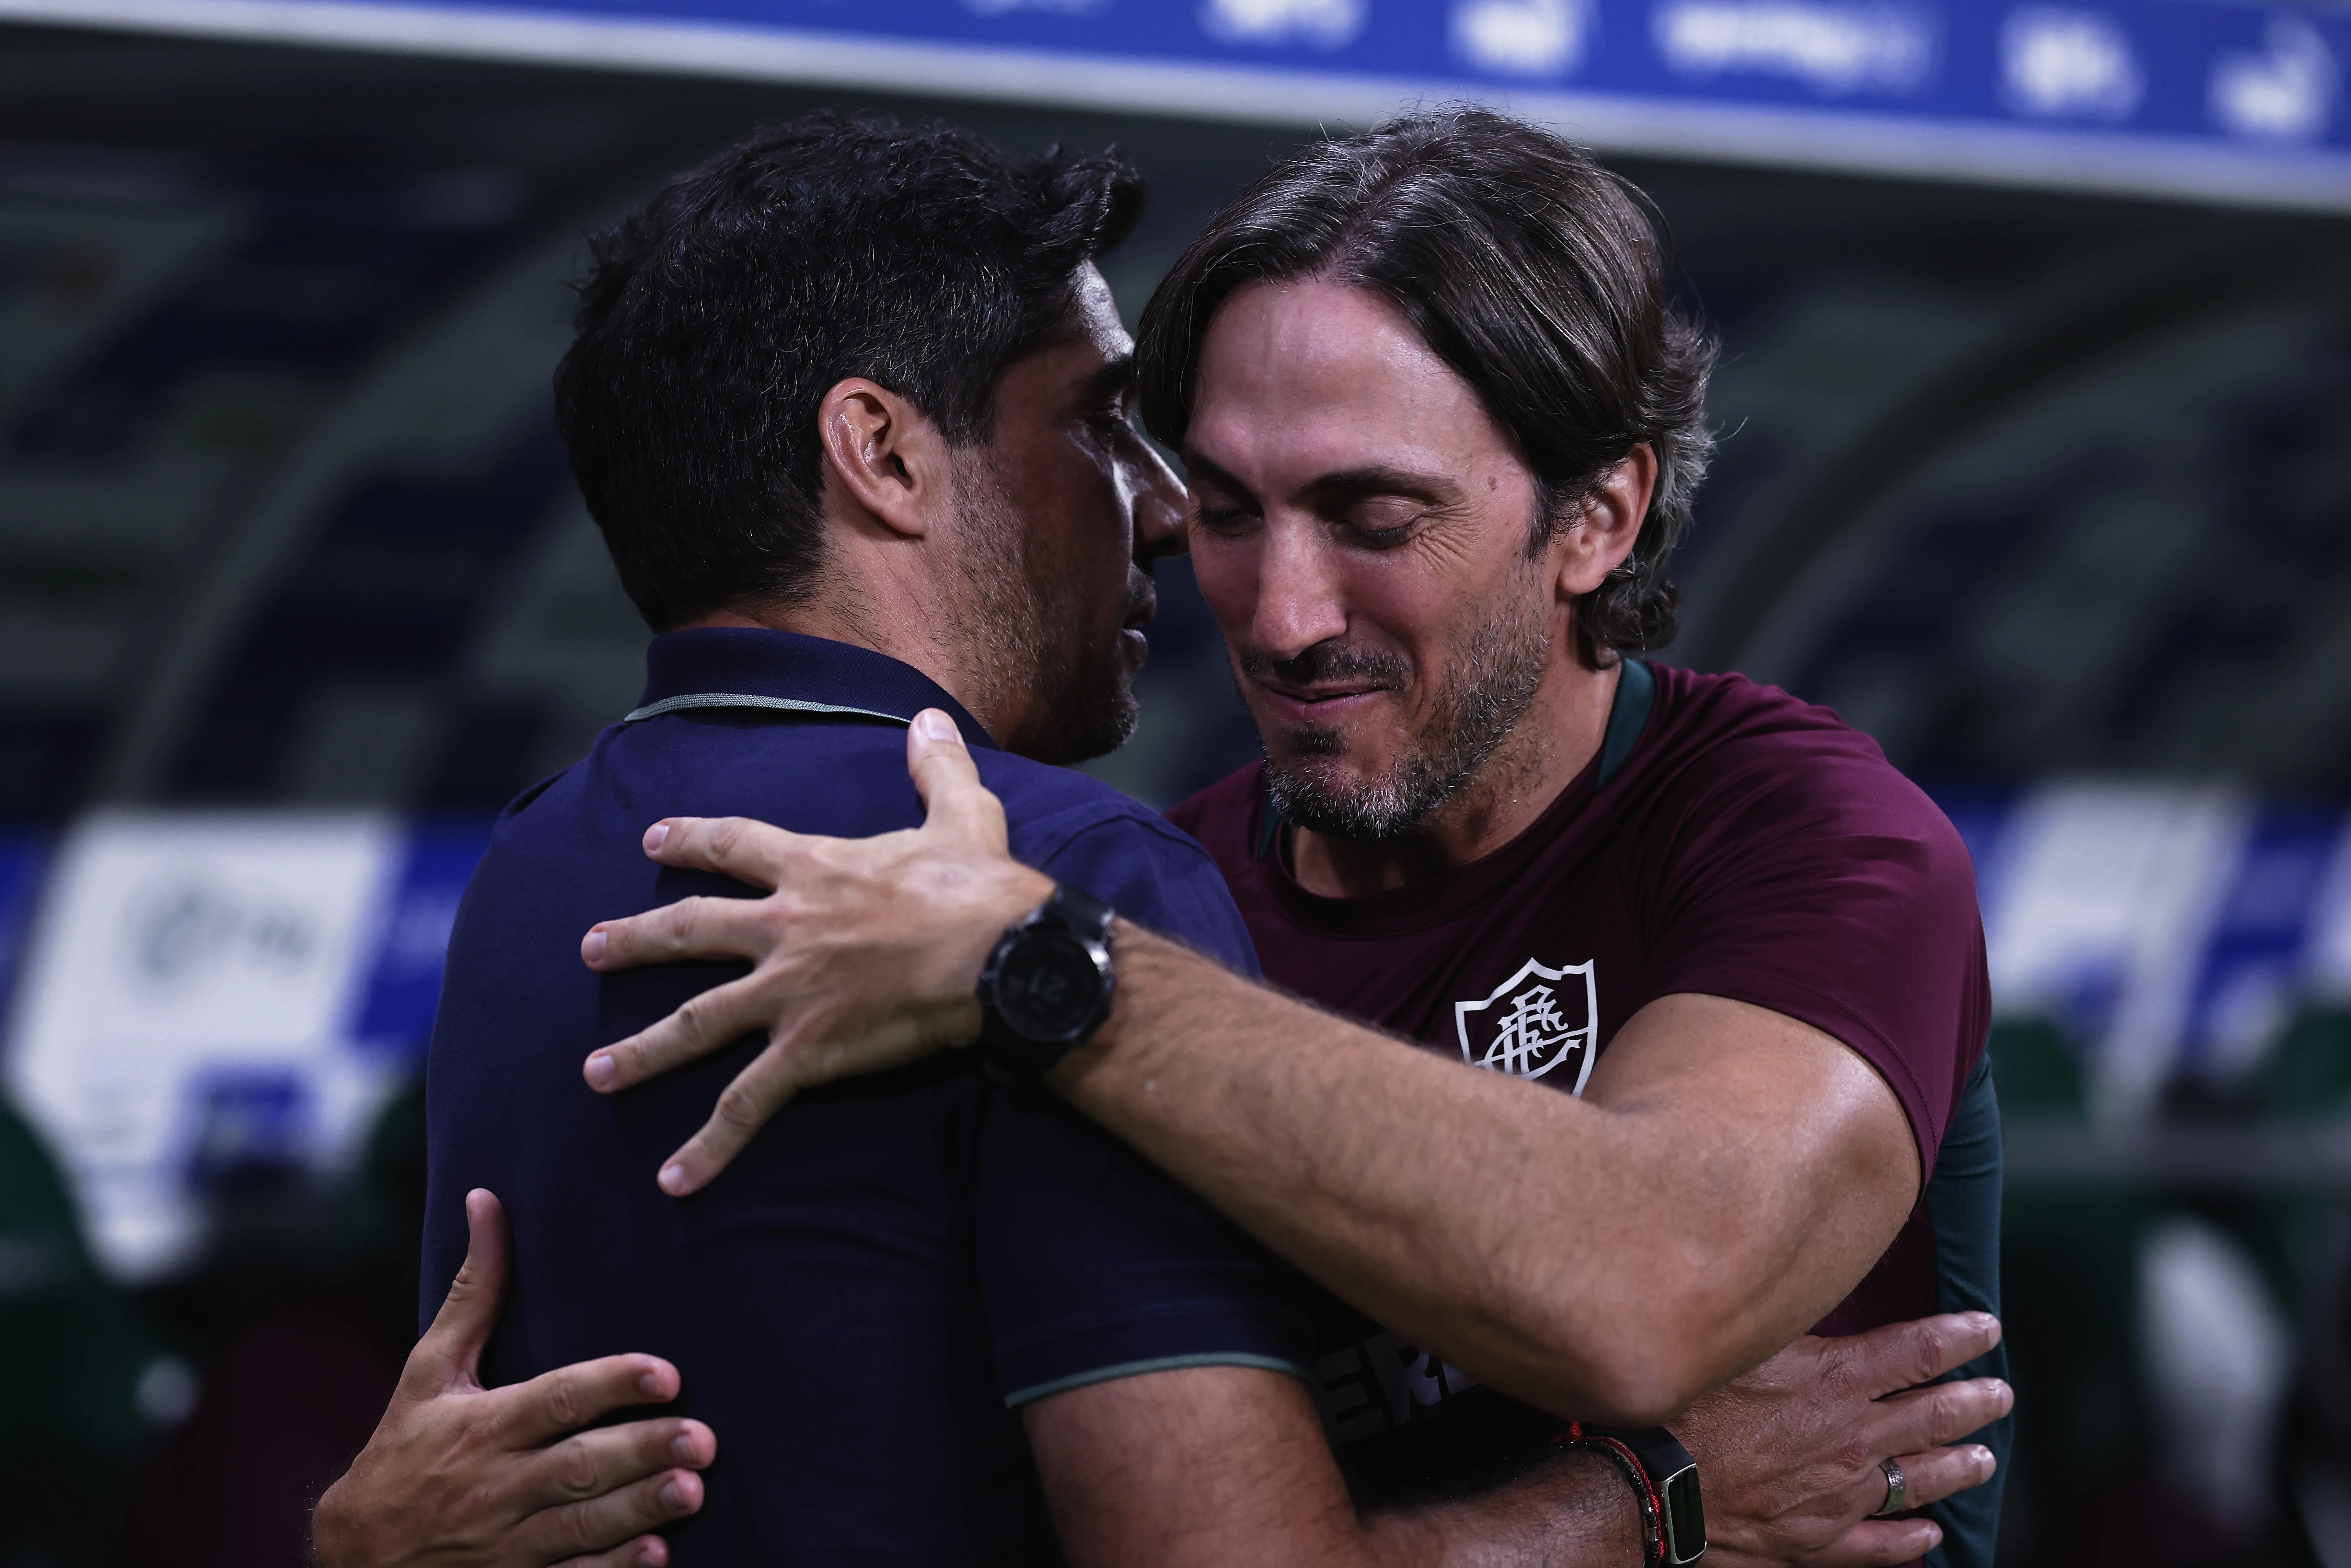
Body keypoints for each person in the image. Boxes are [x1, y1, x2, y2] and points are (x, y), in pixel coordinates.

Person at [316, 111, 2012, 1568]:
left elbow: (1652, 1280)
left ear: (1598, 514)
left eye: (1370, 516)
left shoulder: (1810, 841)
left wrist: (1040, 969)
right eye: (1219, 503)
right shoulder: (1122, 885)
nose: (1274, 616)